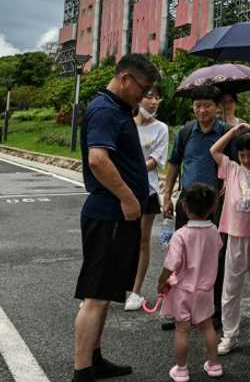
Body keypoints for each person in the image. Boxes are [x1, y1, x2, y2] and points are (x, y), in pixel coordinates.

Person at [72, 53, 161, 382]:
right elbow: (98, 160)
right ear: (125, 79)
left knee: (106, 292)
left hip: (115, 216)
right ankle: (82, 371)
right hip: (109, 214)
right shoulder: (106, 110)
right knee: (95, 296)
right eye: (144, 87)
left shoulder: (118, 109)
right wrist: (127, 199)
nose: (146, 94)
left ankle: (94, 358)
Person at [162, 86, 234, 331]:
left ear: (217, 107)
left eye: (207, 105)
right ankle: (175, 309)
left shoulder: (226, 133)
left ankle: (213, 311)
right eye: (198, 105)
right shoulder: (185, 132)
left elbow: (236, 165)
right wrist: (167, 196)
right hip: (186, 202)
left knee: (216, 258)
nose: (202, 110)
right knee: (180, 256)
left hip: (215, 205)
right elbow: (173, 164)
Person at [210, 124, 250, 355]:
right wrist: (235, 130)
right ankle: (230, 335)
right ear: (238, 155)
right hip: (236, 237)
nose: (247, 159)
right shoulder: (232, 169)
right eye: (243, 155)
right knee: (231, 288)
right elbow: (214, 151)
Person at [159, 183, 224, 380]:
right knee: (207, 327)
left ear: (185, 207)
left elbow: (171, 264)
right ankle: (214, 365)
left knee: (182, 330)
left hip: (183, 290)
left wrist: (162, 282)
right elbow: (218, 250)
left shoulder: (181, 235)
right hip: (205, 290)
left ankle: (181, 369)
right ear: (213, 207)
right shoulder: (214, 231)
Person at [125, 88, 170, 311]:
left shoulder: (161, 128)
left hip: (147, 190)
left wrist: (132, 172)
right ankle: (106, 289)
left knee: (142, 241)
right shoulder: (125, 124)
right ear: (138, 98)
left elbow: (154, 161)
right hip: (121, 189)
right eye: (149, 97)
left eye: (156, 97)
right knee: (117, 239)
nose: (153, 102)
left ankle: (135, 291)